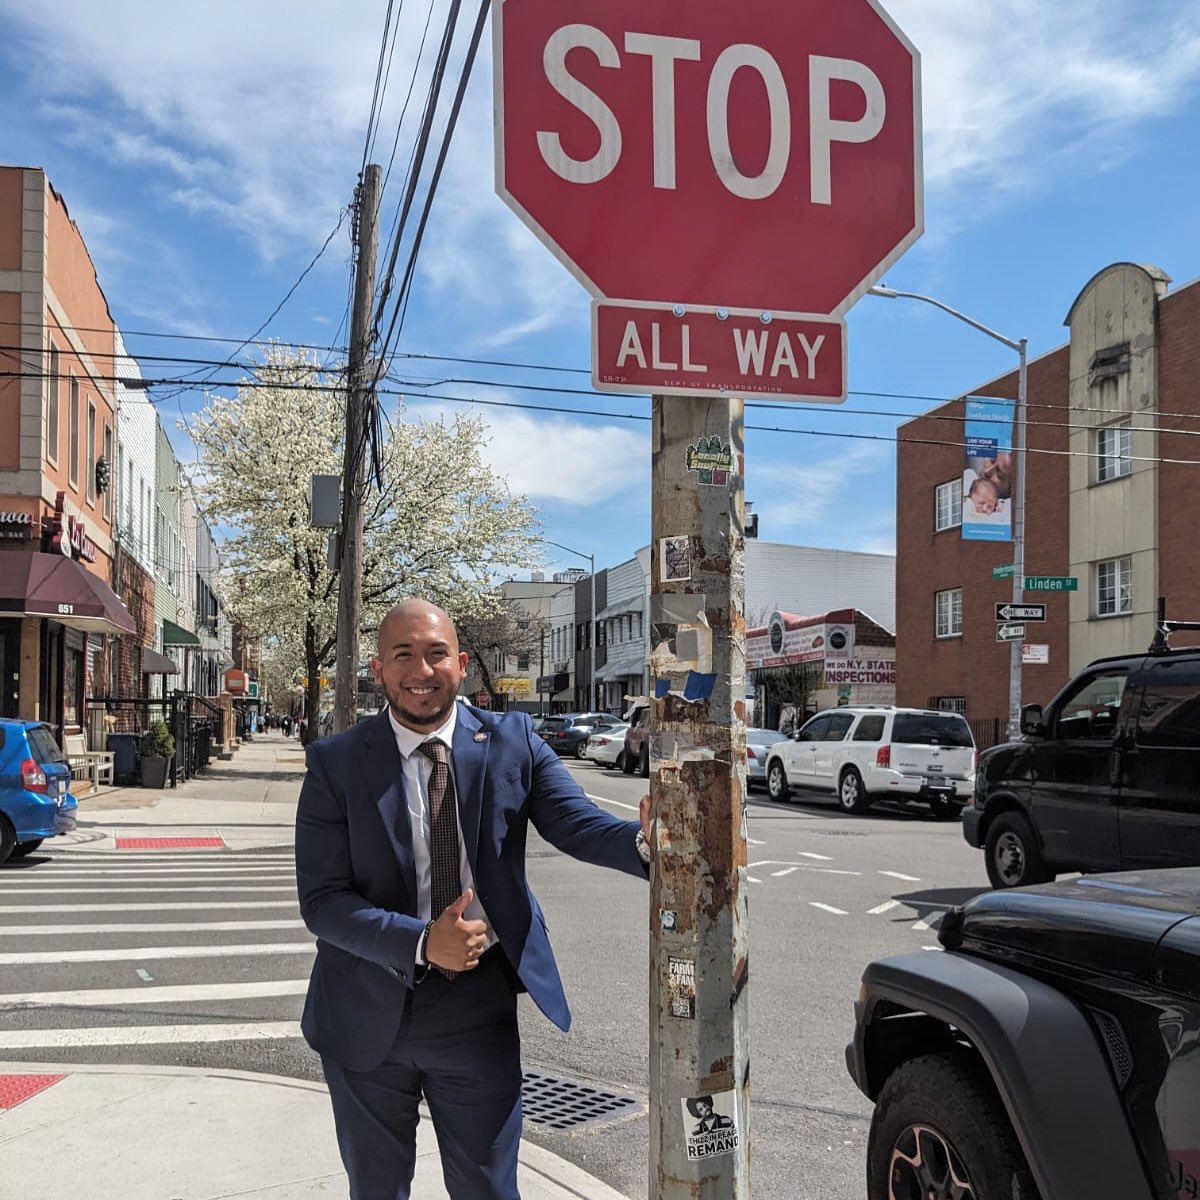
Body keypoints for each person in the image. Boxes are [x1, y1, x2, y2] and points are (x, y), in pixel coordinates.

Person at [295, 598, 652, 1200]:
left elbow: (578, 824)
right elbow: (324, 902)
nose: (421, 670)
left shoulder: (514, 741)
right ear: (378, 670)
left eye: (436, 654)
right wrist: (420, 942)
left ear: (461, 664)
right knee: (376, 1190)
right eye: (402, 654)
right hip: (364, 1007)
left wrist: (652, 841)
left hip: (475, 1011)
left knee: (487, 1189)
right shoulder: (335, 763)